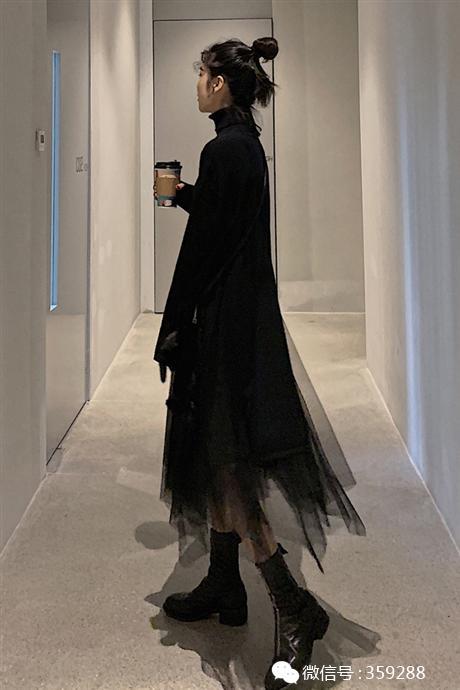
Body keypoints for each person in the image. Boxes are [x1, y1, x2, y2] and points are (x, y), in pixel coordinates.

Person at [153, 37, 366, 690]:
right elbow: (225, 221)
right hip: (243, 316)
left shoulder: (225, 149)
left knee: (226, 463)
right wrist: (187, 194)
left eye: (202, 74)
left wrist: (173, 324)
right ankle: (224, 583)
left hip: (226, 324)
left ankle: (294, 605)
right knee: (220, 453)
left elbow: (204, 252)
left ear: (221, 83)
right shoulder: (243, 145)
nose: (197, 83)